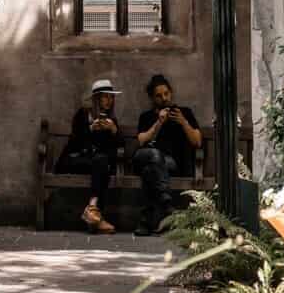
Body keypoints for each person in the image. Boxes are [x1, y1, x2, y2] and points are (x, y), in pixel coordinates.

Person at [132, 74, 201, 236]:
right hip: (143, 157)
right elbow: (141, 141)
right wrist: (158, 123)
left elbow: (197, 142)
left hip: (171, 163)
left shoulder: (184, 113)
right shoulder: (146, 116)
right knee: (153, 156)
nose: (164, 98)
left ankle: (146, 220)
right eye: (158, 95)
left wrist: (183, 122)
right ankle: (166, 203)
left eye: (166, 94)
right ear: (152, 98)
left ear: (171, 93)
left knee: (150, 171)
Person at [57, 79, 122, 234]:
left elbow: (120, 146)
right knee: (101, 164)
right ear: (96, 99)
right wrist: (90, 129)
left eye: (111, 97)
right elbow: (74, 142)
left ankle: (92, 211)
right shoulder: (82, 115)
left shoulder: (111, 120)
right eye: (105, 97)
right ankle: (97, 217)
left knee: (101, 163)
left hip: (97, 164)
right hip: (75, 160)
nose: (109, 100)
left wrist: (113, 130)